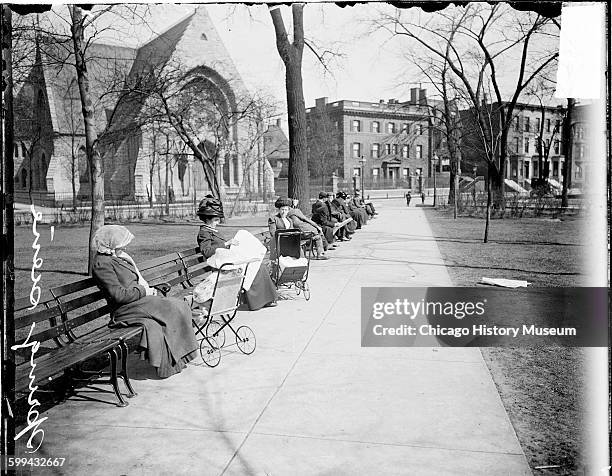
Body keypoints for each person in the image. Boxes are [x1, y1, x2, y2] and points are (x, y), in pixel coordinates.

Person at [92, 225, 198, 379]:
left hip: (137, 302)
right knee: (171, 308)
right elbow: (119, 296)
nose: (125, 246)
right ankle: (174, 360)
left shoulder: (117, 257)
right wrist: (142, 290)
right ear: (110, 244)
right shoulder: (102, 264)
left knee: (178, 305)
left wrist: (142, 289)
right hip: (125, 309)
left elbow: (132, 282)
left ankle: (178, 359)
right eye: (121, 243)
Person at [196, 196, 278, 310]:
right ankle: (258, 302)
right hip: (221, 266)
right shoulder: (204, 233)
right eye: (215, 220)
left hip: (227, 261)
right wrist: (226, 244)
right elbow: (206, 251)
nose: (218, 222)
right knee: (255, 268)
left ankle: (265, 299)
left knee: (259, 266)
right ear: (207, 219)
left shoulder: (211, 230)